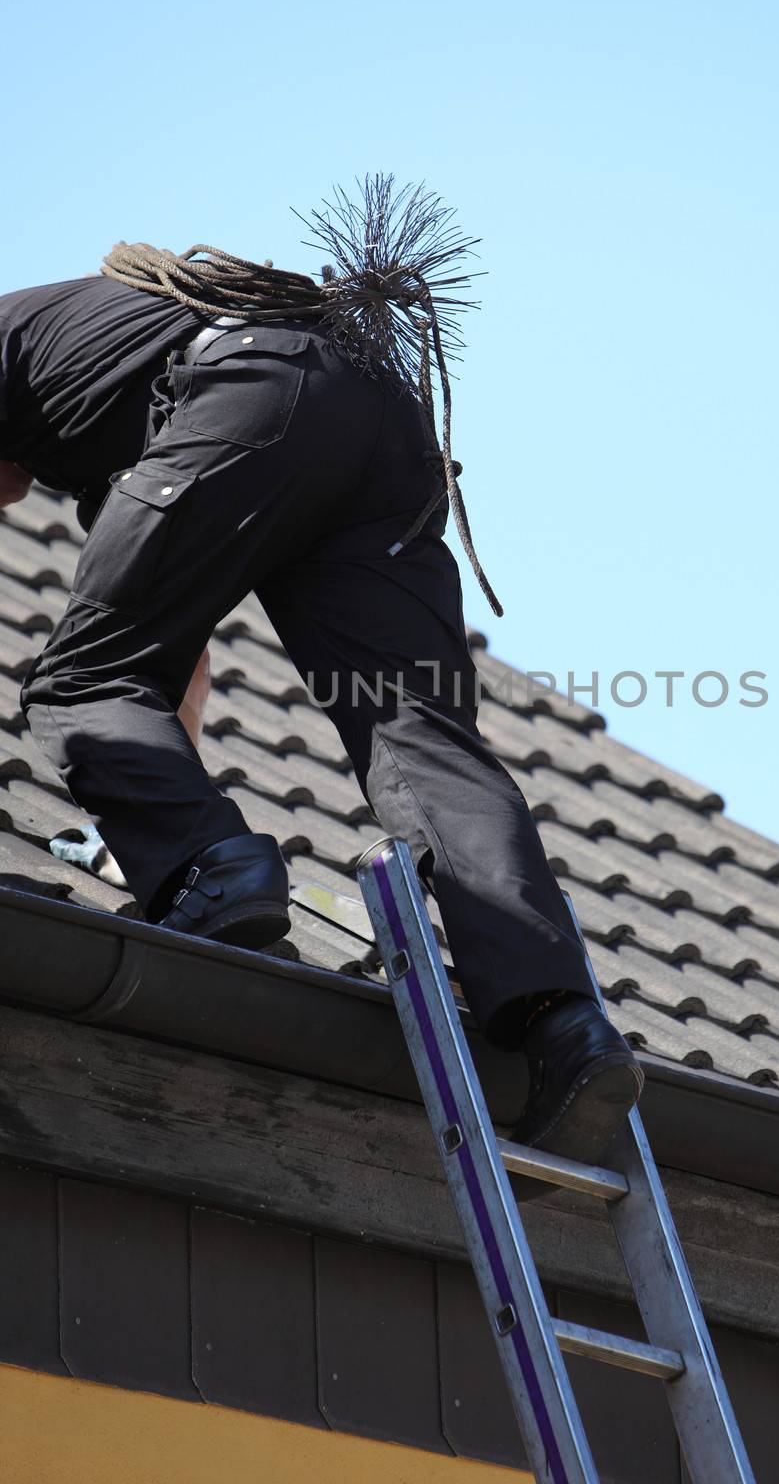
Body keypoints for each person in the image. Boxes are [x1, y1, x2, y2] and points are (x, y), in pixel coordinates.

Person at [0, 178, 642, 1178]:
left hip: (250, 389)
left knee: (75, 680)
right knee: (412, 732)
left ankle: (220, 868)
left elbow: (107, 667)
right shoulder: (100, 400)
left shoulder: (18, 343)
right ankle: (562, 1025)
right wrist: (163, 817)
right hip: (374, 418)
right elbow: (173, 654)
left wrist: (194, 852)